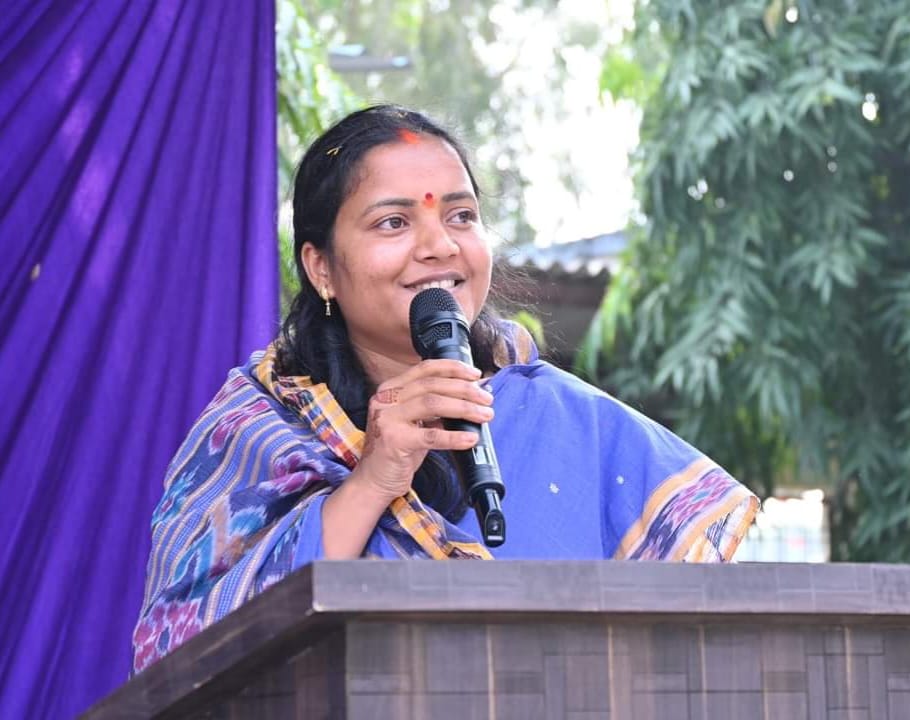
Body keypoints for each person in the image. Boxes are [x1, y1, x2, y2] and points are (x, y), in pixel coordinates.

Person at [132, 105, 758, 672]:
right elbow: (184, 657)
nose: (439, 245)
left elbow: (689, 646)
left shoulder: (566, 417)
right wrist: (373, 479)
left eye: (461, 216)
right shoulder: (256, 430)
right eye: (394, 222)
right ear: (321, 267)